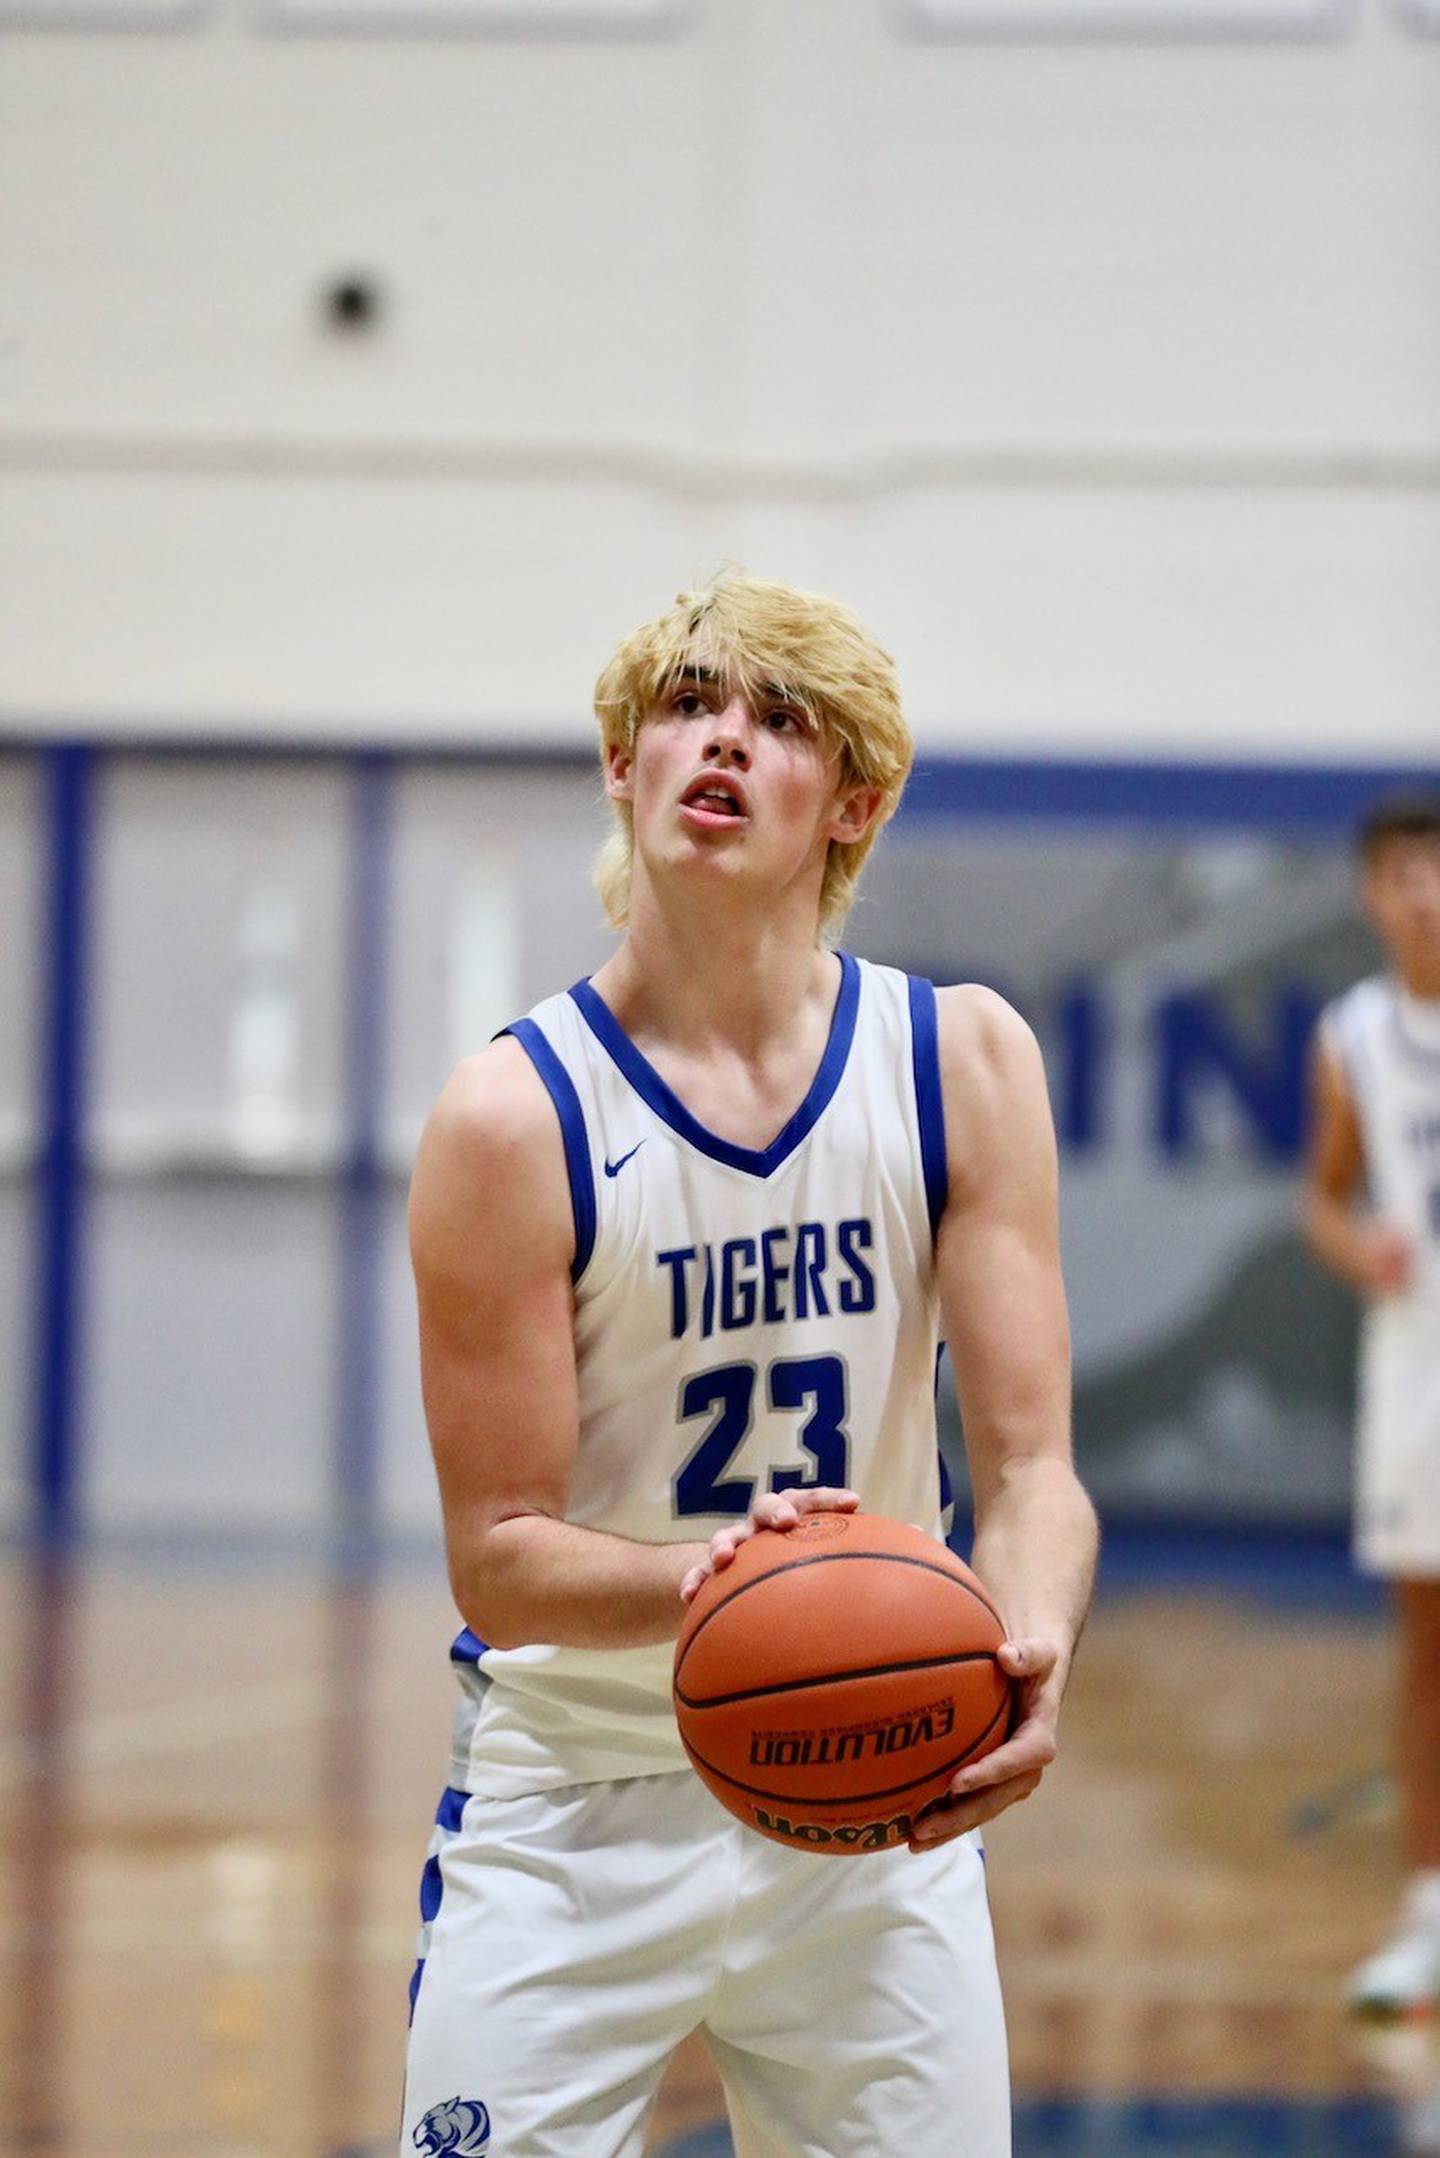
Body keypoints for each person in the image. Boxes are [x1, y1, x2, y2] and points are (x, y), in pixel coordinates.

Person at [400, 573, 1098, 2157]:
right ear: (621, 766)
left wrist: (1031, 1642)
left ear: (855, 802)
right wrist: (739, 1585)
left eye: (781, 720)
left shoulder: (958, 1061)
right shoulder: (513, 1118)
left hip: (875, 1798)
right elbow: (500, 1556)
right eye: (689, 703)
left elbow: (1037, 1468)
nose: (723, 739)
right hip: (577, 1799)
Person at [1304, 792, 1440, 2018]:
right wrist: (1359, 1250)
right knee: (1426, 1649)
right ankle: (1426, 1917)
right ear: (1372, 890)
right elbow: (1323, 1196)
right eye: (1406, 872)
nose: (1427, 893)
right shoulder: (1351, 1033)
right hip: (1416, 1370)